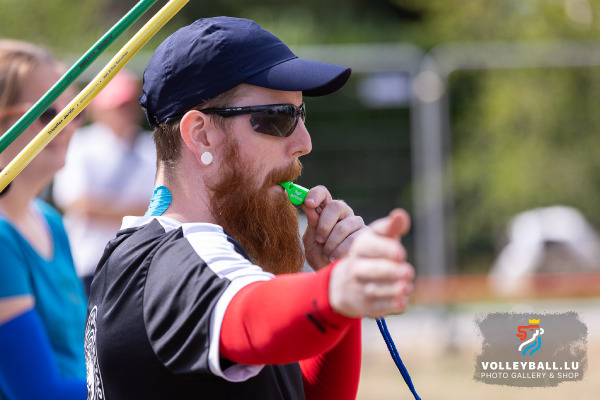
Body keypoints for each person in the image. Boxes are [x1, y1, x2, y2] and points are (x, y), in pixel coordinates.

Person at [86, 17, 415, 400]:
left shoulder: (138, 253)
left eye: (301, 114)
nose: (304, 142)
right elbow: (249, 316)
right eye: (278, 118)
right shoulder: (179, 260)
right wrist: (336, 290)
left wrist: (334, 280)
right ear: (201, 134)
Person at [0, 40, 87, 399]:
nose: (67, 126)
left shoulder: (50, 220)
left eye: (75, 111)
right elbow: (37, 393)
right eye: (50, 113)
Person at [53, 69, 156, 294]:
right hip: (89, 263)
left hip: (136, 264)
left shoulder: (150, 148)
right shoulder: (81, 144)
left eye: (128, 105)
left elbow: (158, 207)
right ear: (98, 109)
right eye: (117, 106)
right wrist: (137, 211)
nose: (124, 112)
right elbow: (79, 204)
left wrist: (105, 207)